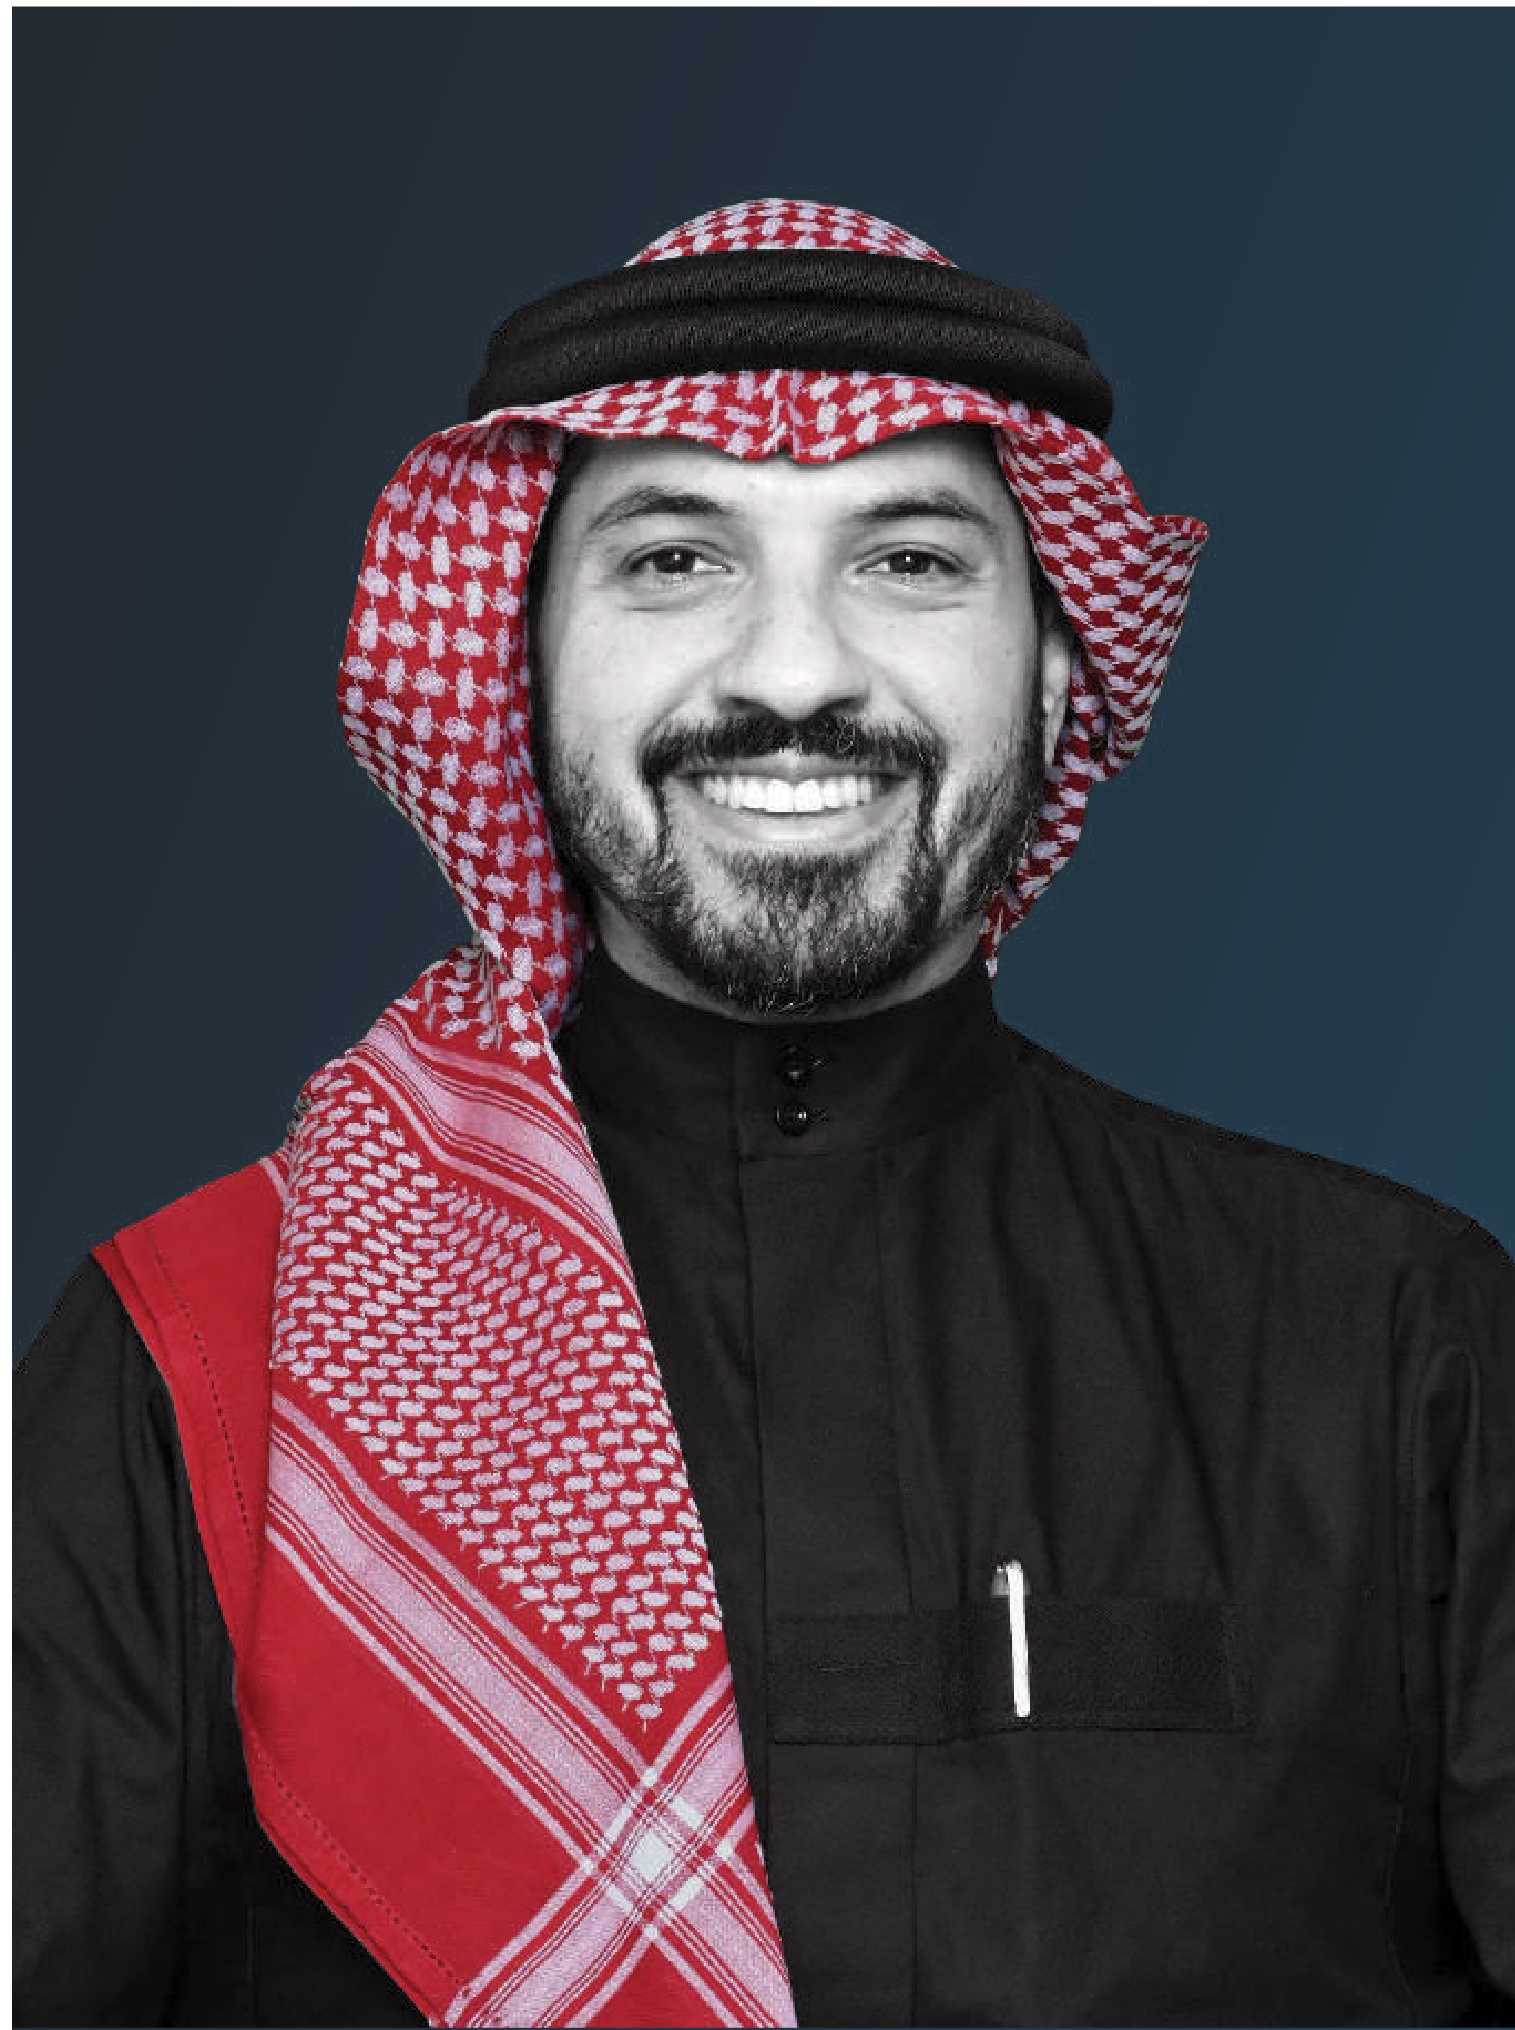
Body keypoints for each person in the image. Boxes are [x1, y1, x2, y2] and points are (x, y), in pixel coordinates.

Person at [14, 198, 1513, 2029]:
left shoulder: (1395, 1343)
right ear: (512, 660)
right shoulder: (209, 1357)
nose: (792, 674)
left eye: (908, 559)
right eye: (672, 560)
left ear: (1057, 670)